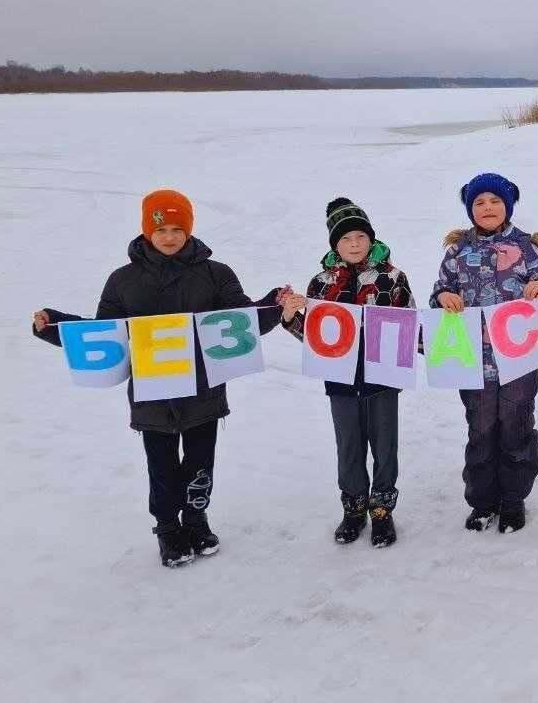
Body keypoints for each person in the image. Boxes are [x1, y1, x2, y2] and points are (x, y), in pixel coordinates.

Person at [32, 189, 304, 567]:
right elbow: (105, 335)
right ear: (147, 231)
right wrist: (54, 325)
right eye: (161, 229)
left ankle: (195, 520)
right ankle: (167, 529)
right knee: (160, 468)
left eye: (178, 229)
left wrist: (275, 304)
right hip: (153, 395)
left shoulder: (216, 274)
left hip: (203, 391)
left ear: (189, 229)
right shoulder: (122, 281)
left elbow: (242, 321)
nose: (170, 237)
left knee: (200, 462)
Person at [281, 198, 414, 548]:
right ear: (334, 244)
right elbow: (314, 338)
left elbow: (410, 326)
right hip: (340, 381)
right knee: (349, 447)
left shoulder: (392, 277)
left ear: (371, 238)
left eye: (360, 236)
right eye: (345, 238)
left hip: (382, 380)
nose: (354, 244)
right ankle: (353, 508)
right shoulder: (321, 284)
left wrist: (436, 339)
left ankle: (382, 509)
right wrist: (291, 317)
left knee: (385, 446)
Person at [430, 173, 538, 533]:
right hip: (475, 360)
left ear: (508, 206)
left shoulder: (528, 247)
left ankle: (514, 498)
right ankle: (483, 501)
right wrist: (443, 296)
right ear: (470, 209)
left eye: (495, 201)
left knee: (516, 427)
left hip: (520, 360)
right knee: (481, 430)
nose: (487, 207)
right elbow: (441, 288)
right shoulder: (457, 251)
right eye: (479, 202)